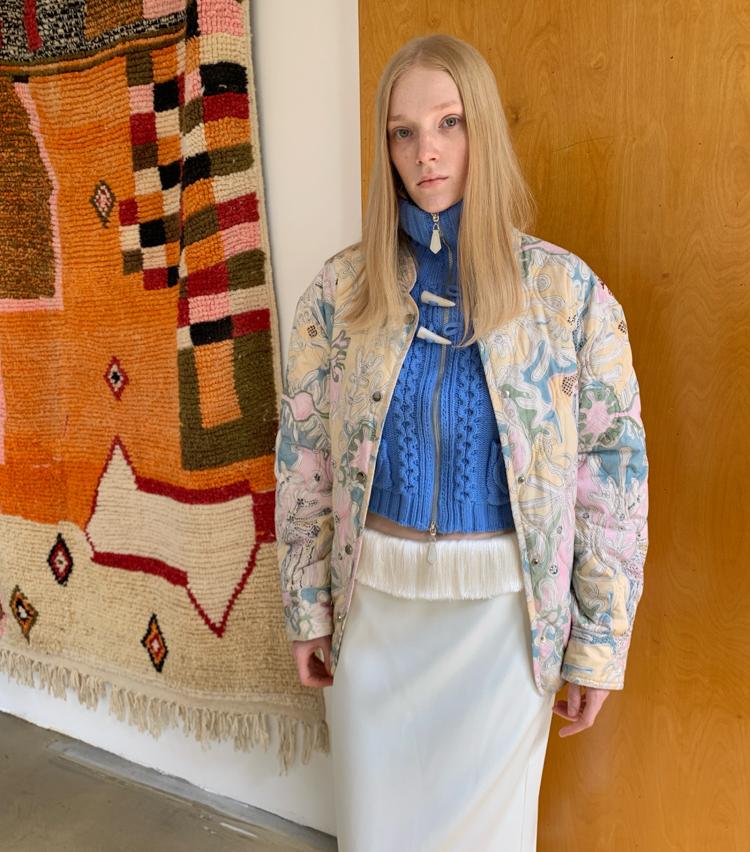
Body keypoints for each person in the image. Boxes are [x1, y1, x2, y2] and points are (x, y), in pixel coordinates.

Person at [274, 33, 649, 852]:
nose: (427, 153)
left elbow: (612, 475)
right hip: (374, 616)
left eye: (449, 123)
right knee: (374, 835)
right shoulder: (340, 293)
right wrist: (308, 607)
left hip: (503, 626)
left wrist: (597, 643)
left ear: (482, 129)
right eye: (403, 132)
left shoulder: (567, 295)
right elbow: (305, 460)